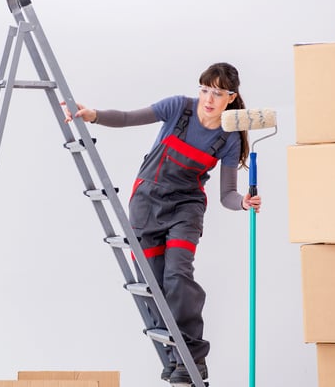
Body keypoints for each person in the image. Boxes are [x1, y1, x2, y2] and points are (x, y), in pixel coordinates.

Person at [64, 62, 261, 385]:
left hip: (186, 207)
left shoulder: (230, 138)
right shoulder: (178, 108)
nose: (208, 99)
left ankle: (193, 358)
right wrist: (94, 114)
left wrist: (242, 202)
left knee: (178, 274)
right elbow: (128, 118)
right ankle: (175, 356)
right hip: (146, 203)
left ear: (231, 97)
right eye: (205, 89)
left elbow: (227, 193)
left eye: (217, 93)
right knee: (153, 283)